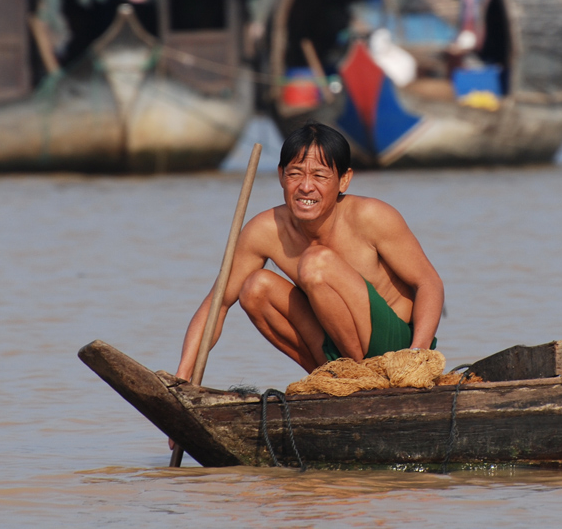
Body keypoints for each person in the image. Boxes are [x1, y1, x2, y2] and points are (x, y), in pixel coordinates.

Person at [174, 122, 444, 383]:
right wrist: (182, 380)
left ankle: (363, 375)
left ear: (344, 180)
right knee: (255, 288)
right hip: (337, 350)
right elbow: (217, 304)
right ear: (281, 176)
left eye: (319, 175)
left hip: (395, 351)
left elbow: (428, 283)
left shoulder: (372, 216)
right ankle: (337, 377)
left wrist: (416, 355)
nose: (305, 186)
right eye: (295, 174)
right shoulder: (264, 230)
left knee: (317, 261)